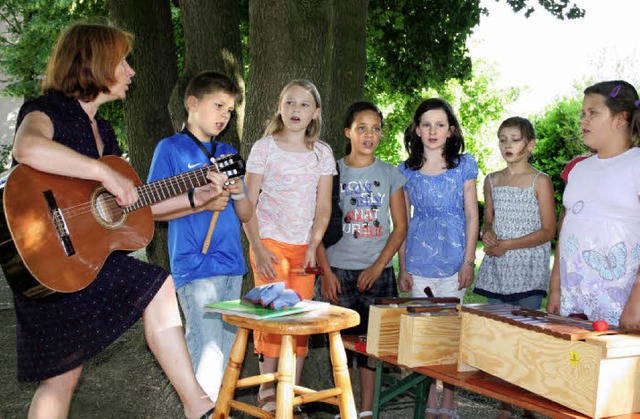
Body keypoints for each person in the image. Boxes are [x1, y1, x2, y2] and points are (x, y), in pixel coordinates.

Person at [6, 23, 221, 419]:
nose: (131, 71)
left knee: (63, 375)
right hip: (48, 257)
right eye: (123, 61)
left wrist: (194, 199)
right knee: (154, 288)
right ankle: (200, 407)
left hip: (81, 262)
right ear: (96, 63)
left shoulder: (103, 130)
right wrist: (105, 174)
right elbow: (27, 147)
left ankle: (199, 406)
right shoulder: (48, 110)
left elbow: (128, 209)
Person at [147, 71, 253, 402]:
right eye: (218, 105)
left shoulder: (227, 152)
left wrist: (237, 193)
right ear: (192, 103)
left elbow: (247, 215)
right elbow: (150, 209)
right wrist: (202, 200)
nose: (225, 115)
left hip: (232, 265)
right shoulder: (171, 149)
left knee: (228, 361)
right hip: (195, 264)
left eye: (230, 110)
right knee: (207, 359)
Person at [243, 79, 334, 415]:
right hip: (269, 242)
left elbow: (324, 206)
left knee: (299, 318)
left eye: (304, 104)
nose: (296, 110)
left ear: (316, 113)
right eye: (290, 102)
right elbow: (248, 203)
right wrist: (258, 247)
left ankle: (290, 391)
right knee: (272, 313)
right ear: (279, 107)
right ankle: (268, 387)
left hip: (304, 247)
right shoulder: (264, 148)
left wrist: (314, 244)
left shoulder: (322, 153)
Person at [316, 101, 407, 418]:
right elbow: (316, 225)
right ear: (348, 132)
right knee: (339, 348)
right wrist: (325, 273)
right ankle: (346, 408)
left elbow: (401, 226)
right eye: (362, 128)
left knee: (372, 349)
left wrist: (379, 266)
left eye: (376, 128)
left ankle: (367, 410)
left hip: (377, 274)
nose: (369, 135)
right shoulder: (331, 171)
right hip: (337, 273)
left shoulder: (390, 173)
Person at [398, 98, 479, 419]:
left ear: (451, 130)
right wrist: (402, 266)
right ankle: (431, 398)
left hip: (455, 258)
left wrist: (469, 260)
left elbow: (473, 214)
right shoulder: (406, 171)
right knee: (428, 334)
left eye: (440, 124)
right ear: (417, 129)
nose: (433, 131)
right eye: (426, 124)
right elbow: (401, 222)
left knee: (451, 329)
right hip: (418, 261)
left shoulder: (464, 165)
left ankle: (450, 402)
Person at [547, 80, 640, 334]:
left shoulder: (636, 164)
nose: (583, 121)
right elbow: (565, 232)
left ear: (620, 119)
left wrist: (637, 298)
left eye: (593, 113)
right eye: (582, 114)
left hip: (621, 305)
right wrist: (555, 289)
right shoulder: (578, 169)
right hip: (574, 301)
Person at [474, 116, 556, 309]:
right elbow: (488, 220)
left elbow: (548, 231)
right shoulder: (491, 180)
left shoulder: (541, 181)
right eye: (502, 140)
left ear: (530, 145)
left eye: (515, 139)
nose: (507, 145)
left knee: (524, 328)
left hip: (528, 268)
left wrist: (507, 245)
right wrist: (487, 232)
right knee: (496, 325)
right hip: (498, 267)